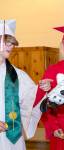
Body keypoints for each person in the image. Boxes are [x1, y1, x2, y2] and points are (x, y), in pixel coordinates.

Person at [0, 19, 39, 150]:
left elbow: (34, 102)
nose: (10, 47)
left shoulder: (18, 76)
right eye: (6, 42)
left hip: (13, 142)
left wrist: (46, 92)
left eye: (12, 43)